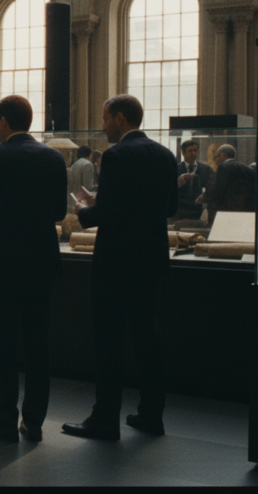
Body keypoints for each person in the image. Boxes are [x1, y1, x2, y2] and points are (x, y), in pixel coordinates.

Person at [63, 94, 177, 440]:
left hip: (116, 261)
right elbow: (170, 208)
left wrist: (83, 211)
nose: (103, 126)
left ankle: (105, 419)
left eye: (105, 118)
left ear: (120, 118)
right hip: (151, 259)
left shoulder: (116, 155)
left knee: (109, 340)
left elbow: (108, 213)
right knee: (147, 337)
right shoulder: (164, 154)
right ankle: (152, 415)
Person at [0, 95, 67, 443]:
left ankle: (5, 419)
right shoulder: (54, 157)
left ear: (2, 121)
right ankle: (35, 421)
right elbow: (59, 212)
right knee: (38, 342)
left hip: (2, 263)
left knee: (4, 343)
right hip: (41, 261)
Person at [203, 144, 256, 224]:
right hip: (244, 212)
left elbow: (218, 191)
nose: (215, 161)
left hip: (226, 213)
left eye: (216, 157)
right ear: (234, 156)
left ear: (222, 155)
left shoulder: (223, 167)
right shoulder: (247, 169)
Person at [175, 139, 213, 220]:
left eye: (195, 150)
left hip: (200, 211)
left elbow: (212, 187)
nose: (193, 153)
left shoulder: (206, 169)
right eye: (190, 151)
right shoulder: (175, 169)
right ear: (183, 152)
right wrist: (178, 183)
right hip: (181, 212)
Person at [67, 145, 94, 211]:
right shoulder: (88, 164)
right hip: (82, 200)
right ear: (90, 154)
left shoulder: (74, 164)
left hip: (74, 198)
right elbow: (87, 186)